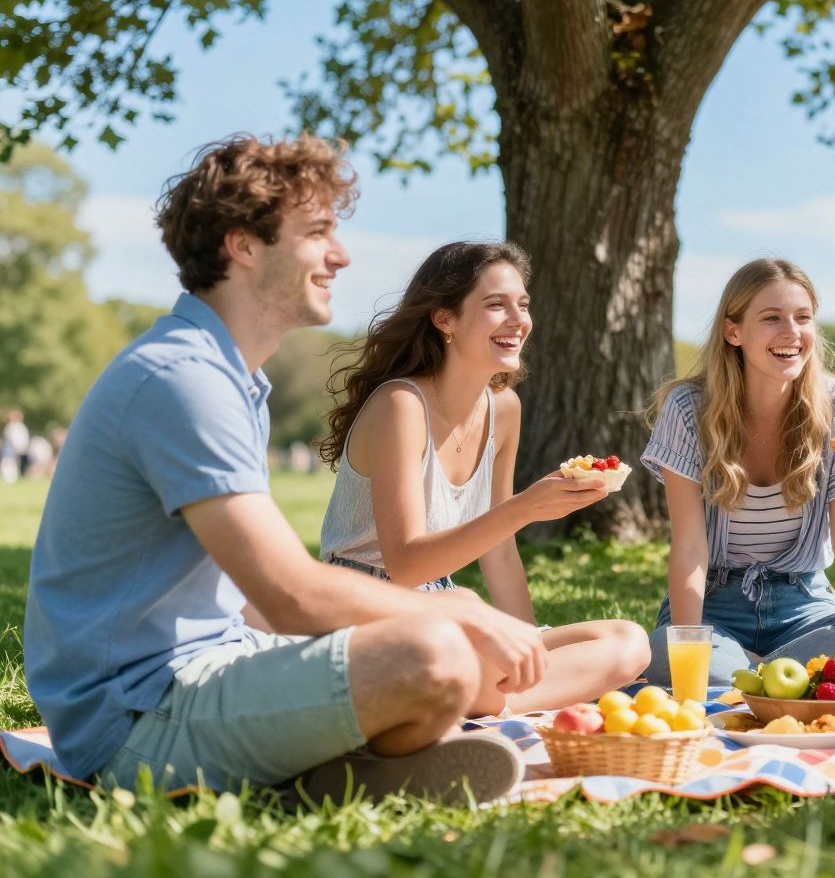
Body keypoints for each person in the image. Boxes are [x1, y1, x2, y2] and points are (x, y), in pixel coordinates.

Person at [25, 135, 535, 802]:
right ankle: (332, 767)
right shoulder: (182, 378)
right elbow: (289, 595)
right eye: (318, 231)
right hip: (133, 718)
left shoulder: (231, 380)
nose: (341, 255)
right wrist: (462, 615)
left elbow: (244, 604)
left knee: (445, 653)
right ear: (243, 245)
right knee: (436, 655)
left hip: (208, 667)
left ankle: (320, 775)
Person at [315, 239, 650, 716]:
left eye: (523, 304)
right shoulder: (400, 405)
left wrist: (525, 648)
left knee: (629, 641)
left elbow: (500, 549)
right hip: (364, 606)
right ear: (444, 319)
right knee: (469, 611)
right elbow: (406, 564)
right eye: (496, 305)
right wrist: (526, 507)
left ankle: (493, 696)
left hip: (445, 608)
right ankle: (487, 695)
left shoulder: (504, 409)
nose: (519, 320)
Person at [640, 258, 835, 687]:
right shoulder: (689, 409)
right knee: (662, 651)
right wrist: (687, 649)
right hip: (713, 606)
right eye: (772, 318)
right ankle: (787, 684)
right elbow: (689, 549)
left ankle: (746, 682)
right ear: (733, 331)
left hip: (802, 605)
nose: (791, 333)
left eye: (803, 318)